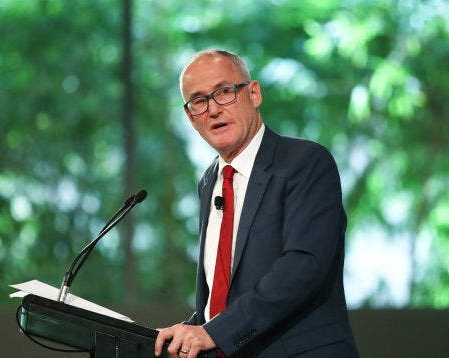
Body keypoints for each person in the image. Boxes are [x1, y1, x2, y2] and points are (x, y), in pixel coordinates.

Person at [154, 49, 359, 358]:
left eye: (224, 92)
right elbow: (225, 296)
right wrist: (187, 330)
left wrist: (212, 333)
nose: (213, 109)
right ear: (190, 117)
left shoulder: (305, 163)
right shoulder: (210, 181)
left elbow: (303, 267)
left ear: (254, 93)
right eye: (199, 101)